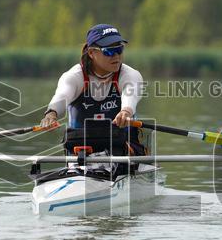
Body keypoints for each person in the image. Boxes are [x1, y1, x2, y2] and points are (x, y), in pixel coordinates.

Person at [41, 23, 145, 155]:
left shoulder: (130, 75)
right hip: (81, 151)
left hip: (123, 149)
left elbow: (131, 94)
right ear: (91, 52)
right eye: (109, 51)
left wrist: (126, 112)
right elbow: (62, 96)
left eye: (119, 49)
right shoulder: (74, 77)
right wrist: (51, 114)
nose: (116, 56)